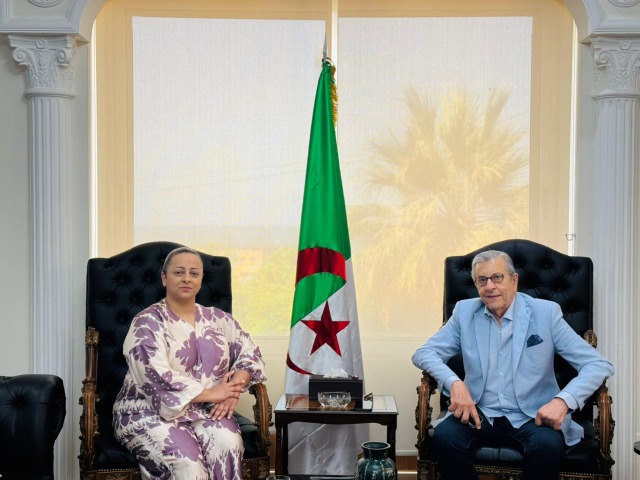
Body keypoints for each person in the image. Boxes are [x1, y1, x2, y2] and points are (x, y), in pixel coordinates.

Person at [412, 250, 614, 480]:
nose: (490, 286)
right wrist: (454, 383)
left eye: (497, 277)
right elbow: (424, 353)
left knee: (547, 446)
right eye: (482, 280)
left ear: (514, 280)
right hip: (480, 412)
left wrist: (563, 401)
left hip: (533, 415)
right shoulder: (464, 312)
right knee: (445, 437)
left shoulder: (545, 314)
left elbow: (598, 364)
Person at [113, 246, 267, 480]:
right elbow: (155, 376)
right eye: (179, 272)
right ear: (164, 278)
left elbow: (250, 353)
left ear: (201, 280)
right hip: (146, 411)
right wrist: (214, 393)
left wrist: (233, 389)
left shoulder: (218, 319)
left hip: (204, 410)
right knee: (187, 461)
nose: (187, 278)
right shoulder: (147, 323)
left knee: (228, 444)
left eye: (194, 273)